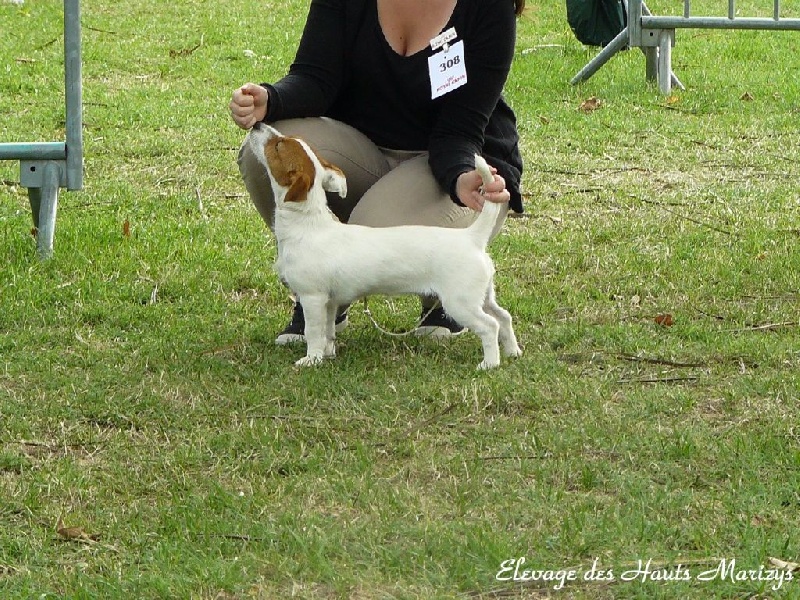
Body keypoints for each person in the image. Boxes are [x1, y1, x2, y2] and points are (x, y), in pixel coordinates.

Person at [230, 0, 525, 344]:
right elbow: (316, 78)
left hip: (451, 160)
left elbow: (458, 131)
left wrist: (461, 177)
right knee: (267, 153)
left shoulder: (489, 7)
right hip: (363, 150)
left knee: (373, 237)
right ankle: (320, 290)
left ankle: (444, 292)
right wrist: (271, 99)